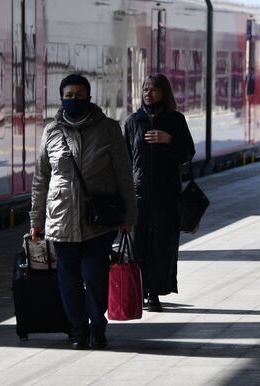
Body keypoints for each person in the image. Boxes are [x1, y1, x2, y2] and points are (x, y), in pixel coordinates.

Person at [29, 73, 136, 350]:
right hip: (61, 218)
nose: (73, 100)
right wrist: (35, 221)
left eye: (79, 95)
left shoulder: (109, 129)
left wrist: (128, 217)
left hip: (97, 220)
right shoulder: (51, 131)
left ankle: (97, 325)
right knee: (68, 280)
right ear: (61, 98)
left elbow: (124, 175)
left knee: (94, 276)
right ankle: (77, 330)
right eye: (68, 96)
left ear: (89, 97)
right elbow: (41, 178)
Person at [124, 73, 195, 312]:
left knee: (162, 244)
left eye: (153, 89)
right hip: (139, 194)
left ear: (164, 92)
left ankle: (154, 292)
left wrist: (169, 140)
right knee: (138, 242)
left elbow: (187, 153)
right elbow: (124, 159)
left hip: (167, 194)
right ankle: (138, 290)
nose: (148, 93)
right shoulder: (133, 122)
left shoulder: (175, 120)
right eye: (145, 89)